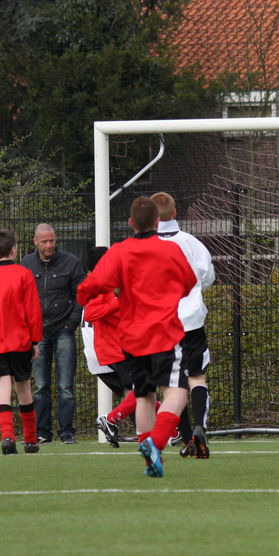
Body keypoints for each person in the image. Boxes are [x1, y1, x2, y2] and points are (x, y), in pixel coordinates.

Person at [77, 196, 196, 477]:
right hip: (164, 333)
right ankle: (155, 443)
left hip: (131, 338)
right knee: (177, 393)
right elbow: (189, 282)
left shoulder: (120, 251)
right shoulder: (170, 249)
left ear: (131, 223)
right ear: (157, 221)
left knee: (143, 396)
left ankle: (149, 458)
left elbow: (90, 287)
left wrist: (89, 294)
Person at [151, 192, 216, 459]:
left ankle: (188, 436)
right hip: (191, 321)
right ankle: (200, 429)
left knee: (171, 385)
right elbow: (208, 277)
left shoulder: (144, 246)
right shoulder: (191, 242)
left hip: (161, 325)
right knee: (197, 377)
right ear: (175, 213)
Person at [20, 223, 86, 444]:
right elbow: (20, 296)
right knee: (40, 386)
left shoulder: (71, 262)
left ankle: (67, 432)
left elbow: (81, 294)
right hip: (37, 333)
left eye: (52, 240)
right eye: (45, 241)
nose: (49, 245)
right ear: (35, 242)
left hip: (63, 330)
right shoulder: (26, 264)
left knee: (66, 385)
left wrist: (72, 323)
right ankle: (42, 432)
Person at [0, 229, 43, 455]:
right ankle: (31, 440)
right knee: (23, 386)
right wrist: (35, 340)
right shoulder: (24, 274)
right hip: (19, 339)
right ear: (14, 249)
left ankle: (7, 437)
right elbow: (33, 310)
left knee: (2, 387)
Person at [79, 246, 134, 448]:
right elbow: (90, 313)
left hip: (111, 348)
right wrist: (118, 304)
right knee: (143, 388)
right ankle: (110, 420)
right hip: (114, 349)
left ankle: (166, 430)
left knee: (135, 392)